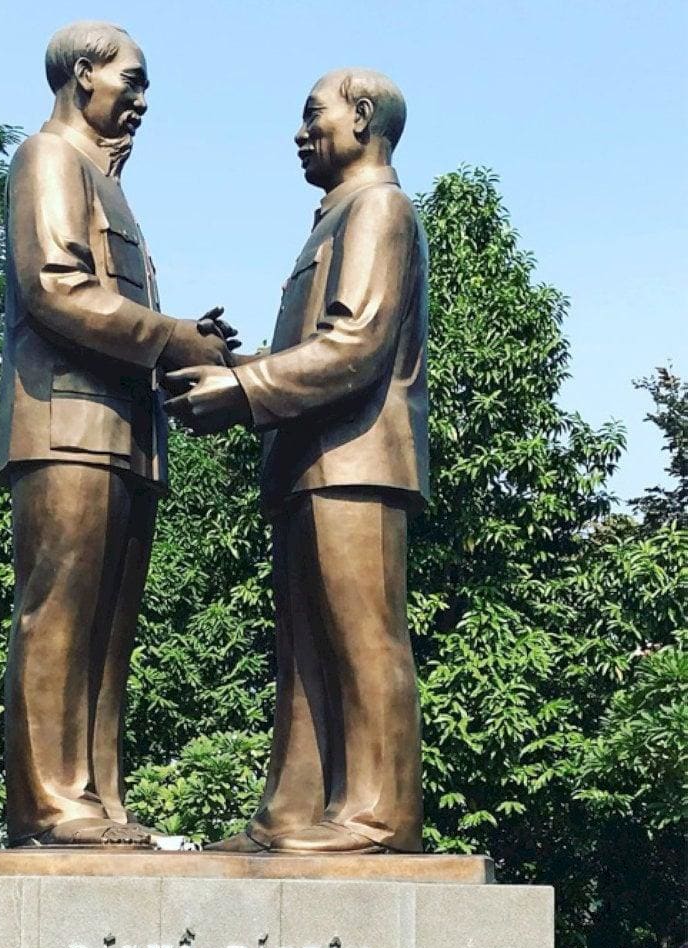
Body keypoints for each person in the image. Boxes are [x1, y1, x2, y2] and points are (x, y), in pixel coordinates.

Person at [166, 68, 428, 853]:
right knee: (305, 654)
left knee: (362, 637)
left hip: (356, 463)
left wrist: (241, 389)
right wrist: (227, 366)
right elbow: (314, 348)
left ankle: (379, 816)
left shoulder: (379, 207)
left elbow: (354, 347)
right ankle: (292, 813)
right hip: (309, 464)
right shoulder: (335, 216)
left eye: (311, 114)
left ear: (362, 115)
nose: (299, 132)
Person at [0, 20, 235, 847]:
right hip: (65, 424)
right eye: (130, 81)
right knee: (59, 615)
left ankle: (97, 798)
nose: (140, 101)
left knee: (107, 631)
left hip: (124, 434)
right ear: (81, 73)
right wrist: (174, 337)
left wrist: (188, 354)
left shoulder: (105, 178)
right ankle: (49, 803)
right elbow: (56, 289)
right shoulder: (49, 159)